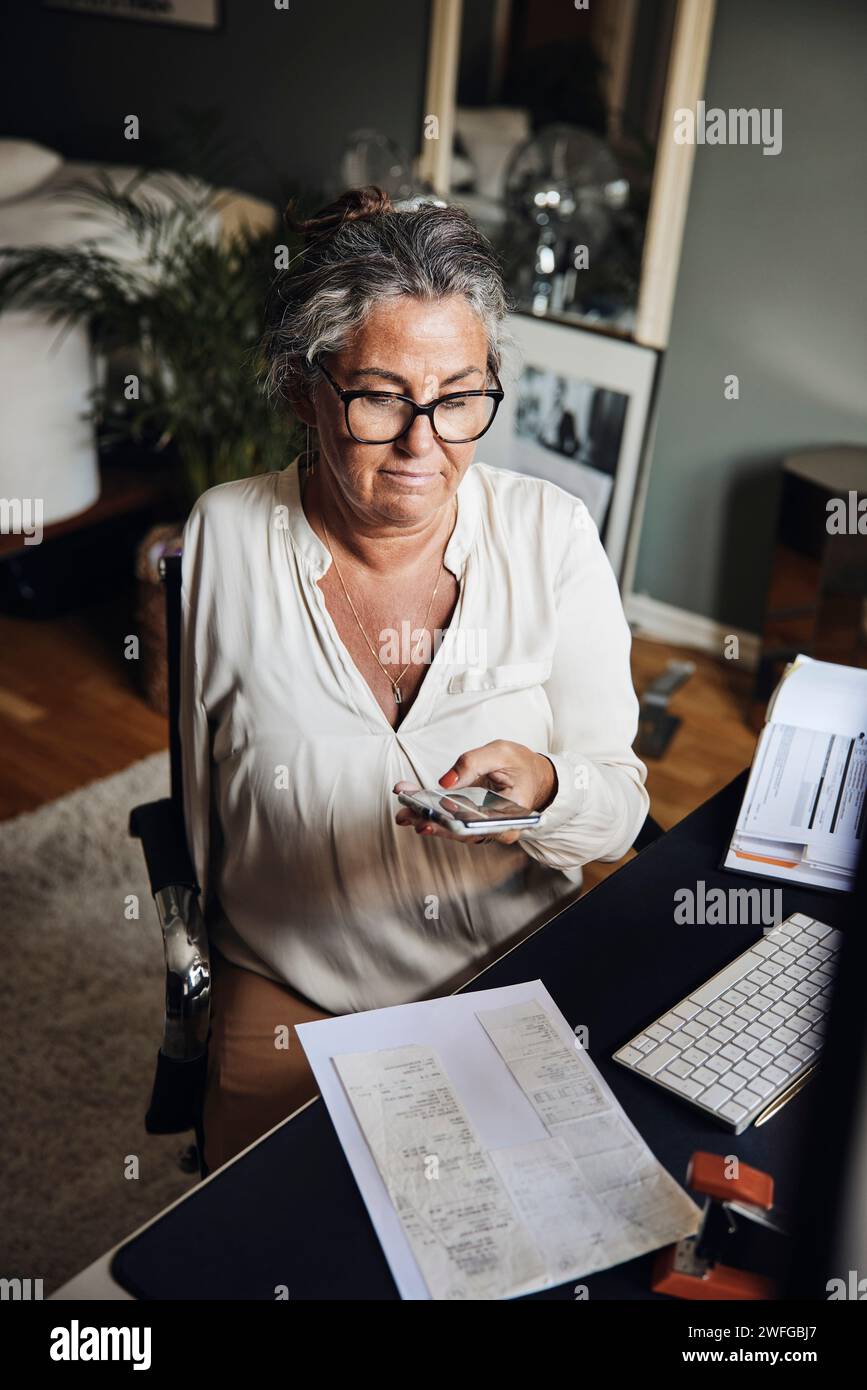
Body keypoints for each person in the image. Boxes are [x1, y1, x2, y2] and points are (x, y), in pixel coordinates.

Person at [179, 186, 649, 1172]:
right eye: (382, 395)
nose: (424, 443)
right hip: (293, 988)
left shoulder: (553, 536)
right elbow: (199, 807)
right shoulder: (225, 536)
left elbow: (620, 807)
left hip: (511, 983)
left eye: (459, 397)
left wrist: (549, 785)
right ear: (310, 390)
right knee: (257, 1254)